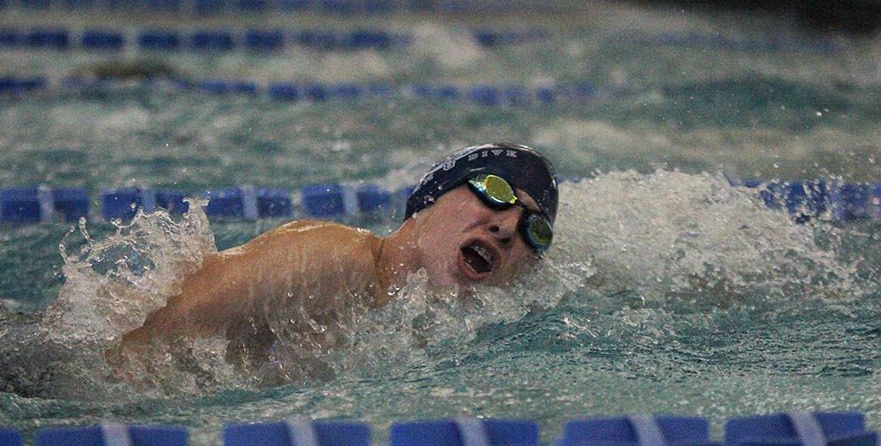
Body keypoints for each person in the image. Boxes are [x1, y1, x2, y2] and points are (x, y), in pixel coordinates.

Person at [112, 143, 559, 373]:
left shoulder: (434, 331)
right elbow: (137, 342)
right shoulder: (329, 258)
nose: (506, 227)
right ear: (430, 200)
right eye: (495, 193)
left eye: (533, 229)